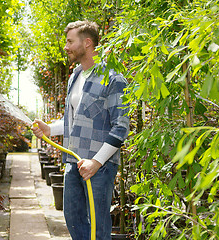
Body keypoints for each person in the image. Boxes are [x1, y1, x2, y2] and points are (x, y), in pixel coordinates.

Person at [31, 20, 129, 240]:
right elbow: (74, 119)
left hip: (99, 167)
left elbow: (121, 126)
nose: (66, 47)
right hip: (73, 162)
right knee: (73, 218)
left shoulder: (113, 78)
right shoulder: (75, 76)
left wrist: (96, 162)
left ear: (86, 43)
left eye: (69, 41)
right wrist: (50, 129)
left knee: (98, 226)